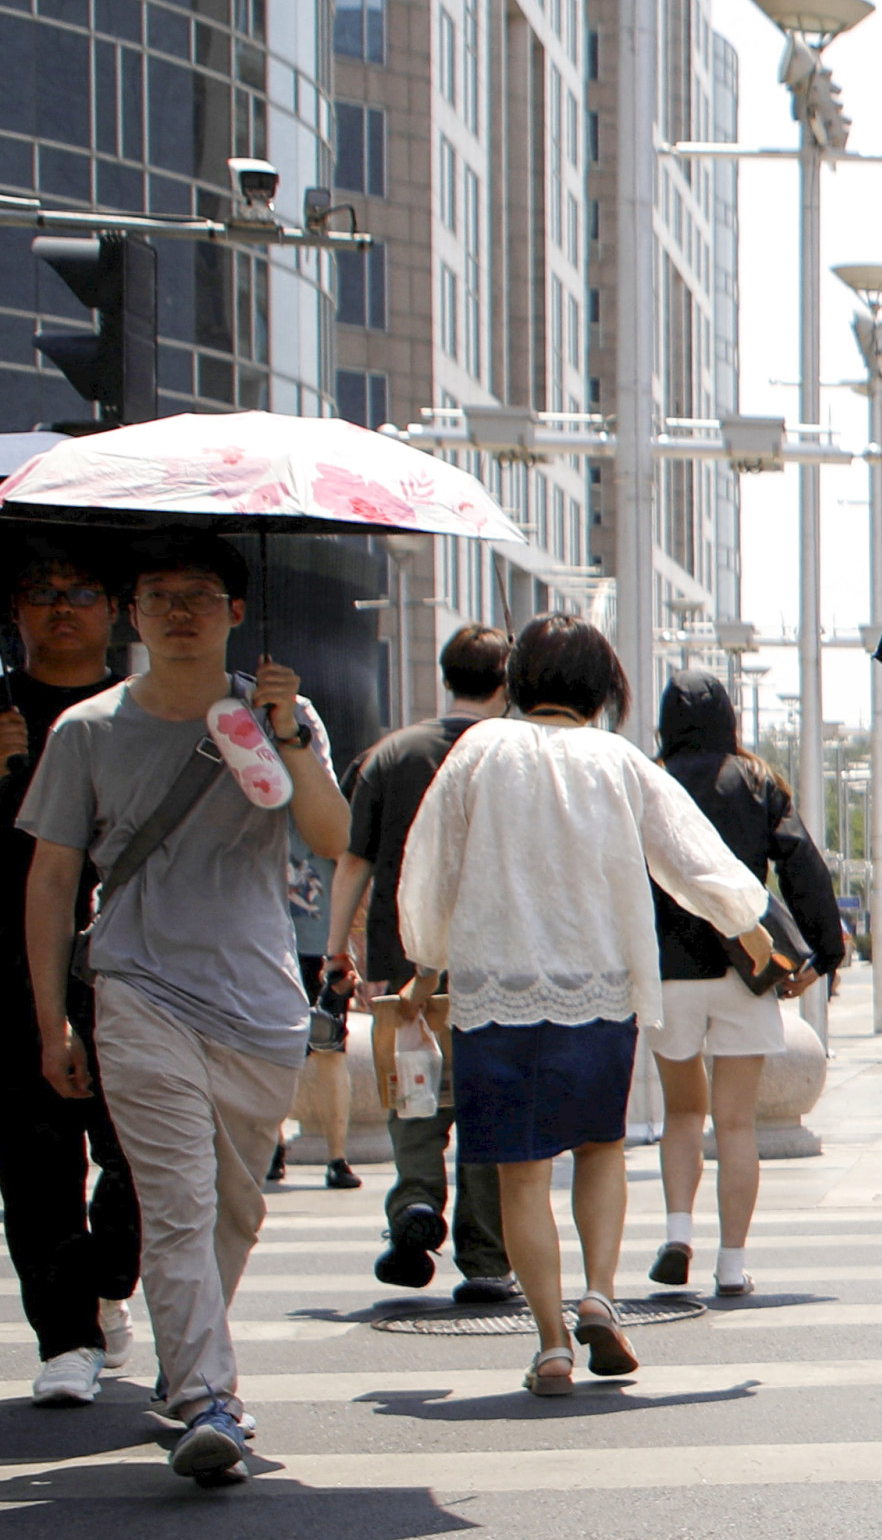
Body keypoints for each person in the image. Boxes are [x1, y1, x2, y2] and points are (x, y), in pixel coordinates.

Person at [17, 535, 345, 1482]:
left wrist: (287, 734)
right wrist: (53, 1018)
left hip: (256, 1003)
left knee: (232, 1215)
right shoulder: (87, 729)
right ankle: (208, 1396)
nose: (178, 611)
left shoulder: (281, 714)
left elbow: (328, 834)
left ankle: (185, 1360)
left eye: (199, 595)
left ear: (236, 611)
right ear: (133, 613)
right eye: (157, 596)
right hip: (136, 989)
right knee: (175, 1201)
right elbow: (51, 880)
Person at [398, 617, 775, 1397]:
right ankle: (601, 1294)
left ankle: (550, 1342)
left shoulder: (477, 753)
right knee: (601, 1148)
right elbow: (689, 852)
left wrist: (426, 957)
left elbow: (432, 865)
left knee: (519, 1173)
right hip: (598, 987)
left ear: (519, 678)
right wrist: (749, 923)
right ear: (605, 687)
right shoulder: (618, 760)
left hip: (495, 988)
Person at [642, 672, 842, 1299]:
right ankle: (731, 1264)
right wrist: (825, 948)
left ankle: (678, 1233)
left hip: (667, 969)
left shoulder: (648, 782)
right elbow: (801, 862)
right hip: (744, 969)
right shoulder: (757, 782)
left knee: (681, 1112)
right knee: (734, 1125)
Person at [332, 623, 514, 1299]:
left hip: (402, 963)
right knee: (487, 1103)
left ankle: (413, 1199)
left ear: (446, 676)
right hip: (495, 966)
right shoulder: (511, 754)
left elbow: (353, 860)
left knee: (413, 1095)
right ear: (506, 681)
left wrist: (335, 951)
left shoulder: (389, 754)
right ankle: (487, 1256)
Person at [0, 533, 140, 1407]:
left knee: (137, 1150)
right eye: (41, 590)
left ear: (115, 610)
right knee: (36, 1155)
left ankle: (104, 1273)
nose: (60, 606)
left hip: (134, 960)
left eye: (81, 589)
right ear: (14, 611)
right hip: (15, 964)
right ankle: (66, 1338)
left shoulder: (143, 711)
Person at [273, 851, 356, 1190]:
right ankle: (273, 1146)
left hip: (319, 947)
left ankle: (337, 1156)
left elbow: (351, 866)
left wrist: (342, 951)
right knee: (270, 1050)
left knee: (330, 1047)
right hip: (267, 946)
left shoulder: (327, 802)